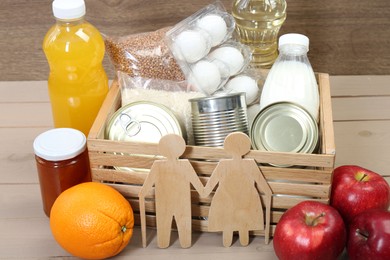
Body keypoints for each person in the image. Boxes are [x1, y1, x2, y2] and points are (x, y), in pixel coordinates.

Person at [203, 132, 273, 247]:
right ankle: (241, 241)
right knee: (242, 224)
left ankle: (230, 242)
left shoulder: (224, 164)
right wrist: (268, 192)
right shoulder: (248, 164)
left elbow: (210, 185)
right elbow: (263, 184)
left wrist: (203, 191)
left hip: (230, 199)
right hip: (242, 199)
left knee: (230, 224)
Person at [138, 134, 204, 248]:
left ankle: (176, 243)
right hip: (171, 202)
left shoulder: (162, 165)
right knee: (173, 226)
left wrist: (142, 193)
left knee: (175, 225)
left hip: (174, 202)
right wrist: (204, 191)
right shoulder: (163, 165)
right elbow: (198, 185)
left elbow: (146, 188)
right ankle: (179, 243)